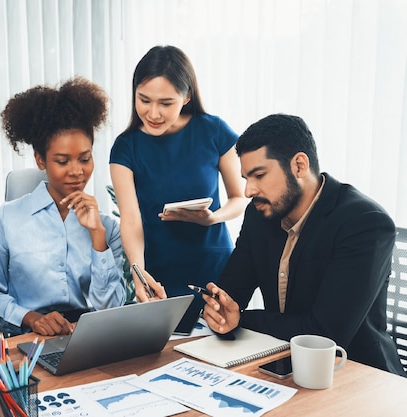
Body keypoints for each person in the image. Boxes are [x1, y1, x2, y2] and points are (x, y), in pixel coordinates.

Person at [201, 113, 406, 376]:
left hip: (355, 374)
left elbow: (324, 334)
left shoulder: (364, 223)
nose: (249, 191)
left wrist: (242, 319)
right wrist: (217, 308)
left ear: (299, 165)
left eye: (259, 175)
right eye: (245, 178)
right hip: (282, 365)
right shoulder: (260, 214)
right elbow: (230, 292)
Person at [0, 77, 126, 338]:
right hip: (29, 338)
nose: (77, 172)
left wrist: (97, 239)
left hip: (90, 338)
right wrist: (31, 318)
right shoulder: (7, 219)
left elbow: (112, 308)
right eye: (62, 161)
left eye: (85, 158)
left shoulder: (106, 227)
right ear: (40, 160)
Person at [109, 45, 246, 306]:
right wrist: (139, 275)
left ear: (186, 97)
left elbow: (239, 197)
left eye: (165, 103)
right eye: (144, 100)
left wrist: (212, 218)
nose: (153, 113)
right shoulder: (126, 147)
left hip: (216, 270)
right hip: (159, 275)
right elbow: (130, 218)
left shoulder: (214, 131)